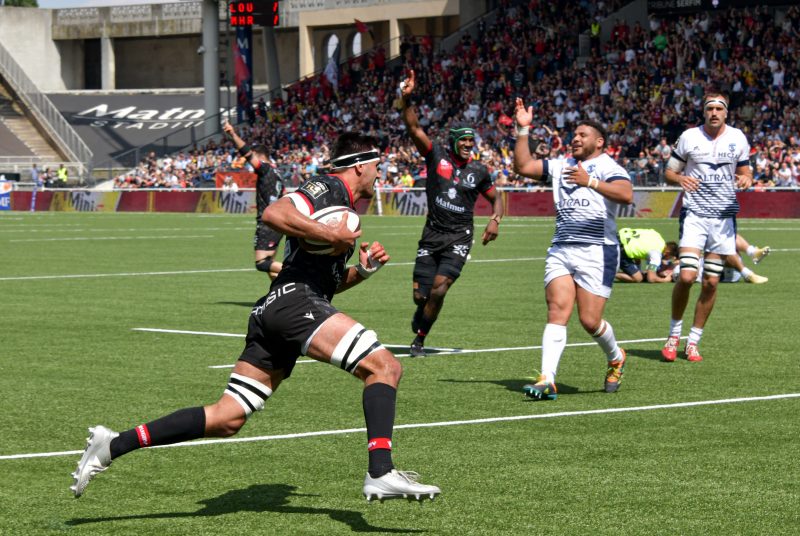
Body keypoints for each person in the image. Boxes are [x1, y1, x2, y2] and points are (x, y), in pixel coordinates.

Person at [71, 132, 440, 502]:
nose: (380, 175)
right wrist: (328, 232)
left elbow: (325, 285)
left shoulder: (342, 208)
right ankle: (380, 471)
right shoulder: (328, 188)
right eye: (378, 166)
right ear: (360, 164)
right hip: (295, 305)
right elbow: (274, 212)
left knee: (226, 417)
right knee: (384, 368)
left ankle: (114, 444)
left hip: (278, 307)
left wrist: (363, 270)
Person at [513, 97, 634, 400]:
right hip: (562, 248)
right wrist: (522, 130)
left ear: (599, 141)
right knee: (557, 311)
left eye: (583, 135)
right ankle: (547, 379)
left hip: (598, 249)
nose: (576, 138)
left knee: (590, 321)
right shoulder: (561, 165)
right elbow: (524, 165)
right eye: (574, 135)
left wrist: (590, 181)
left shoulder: (608, 166)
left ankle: (616, 356)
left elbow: (626, 194)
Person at [399, 70, 504, 357]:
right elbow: (414, 130)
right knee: (421, 295)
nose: (470, 145)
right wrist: (406, 99)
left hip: (459, 236)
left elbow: (497, 198)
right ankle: (422, 313)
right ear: (454, 140)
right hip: (432, 234)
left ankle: (419, 339)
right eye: (465, 141)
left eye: (473, 141)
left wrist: (495, 220)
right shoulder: (437, 156)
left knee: (440, 289)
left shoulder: (480, 171)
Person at [661, 93, 753, 363]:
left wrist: (746, 179)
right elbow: (669, 172)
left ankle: (694, 341)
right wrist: (680, 178)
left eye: (718, 108)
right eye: (709, 108)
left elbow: (746, 171)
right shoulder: (689, 136)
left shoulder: (738, 138)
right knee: (688, 276)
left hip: (723, 218)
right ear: (704, 112)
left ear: (726, 113)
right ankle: (673, 335)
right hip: (695, 214)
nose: (714, 112)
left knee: (711, 281)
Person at [224, 121, 284, 281]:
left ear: (260, 156)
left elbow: (246, 153)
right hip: (278, 223)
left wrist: (233, 134)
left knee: (262, 263)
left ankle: (297, 272)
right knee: (270, 266)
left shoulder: (264, 169)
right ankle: (283, 298)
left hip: (267, 223)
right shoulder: (278, 173)